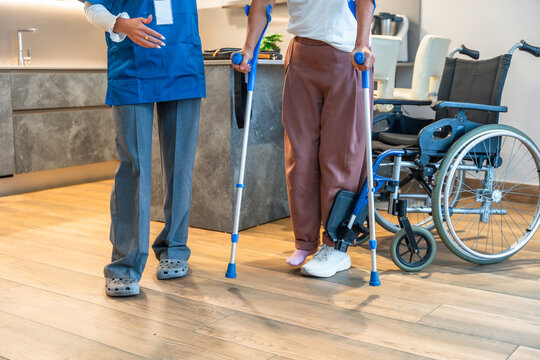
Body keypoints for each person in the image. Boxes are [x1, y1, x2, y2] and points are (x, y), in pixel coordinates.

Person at [232, 0, 375, 277]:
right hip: (300, 55)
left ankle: (335, 245)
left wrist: (363, 42)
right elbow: (260, 6)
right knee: (300, 155)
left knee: (340, 155)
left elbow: (364, 2)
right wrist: (248, 49)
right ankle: (305, 241)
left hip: (346, 55)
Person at [83, 0, 205, 296]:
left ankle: (174, 247)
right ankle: (124, 264)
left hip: (182, 62)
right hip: (132, 64)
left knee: (180, 163)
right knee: (133, 166)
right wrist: (120, 24)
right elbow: (91, 6)